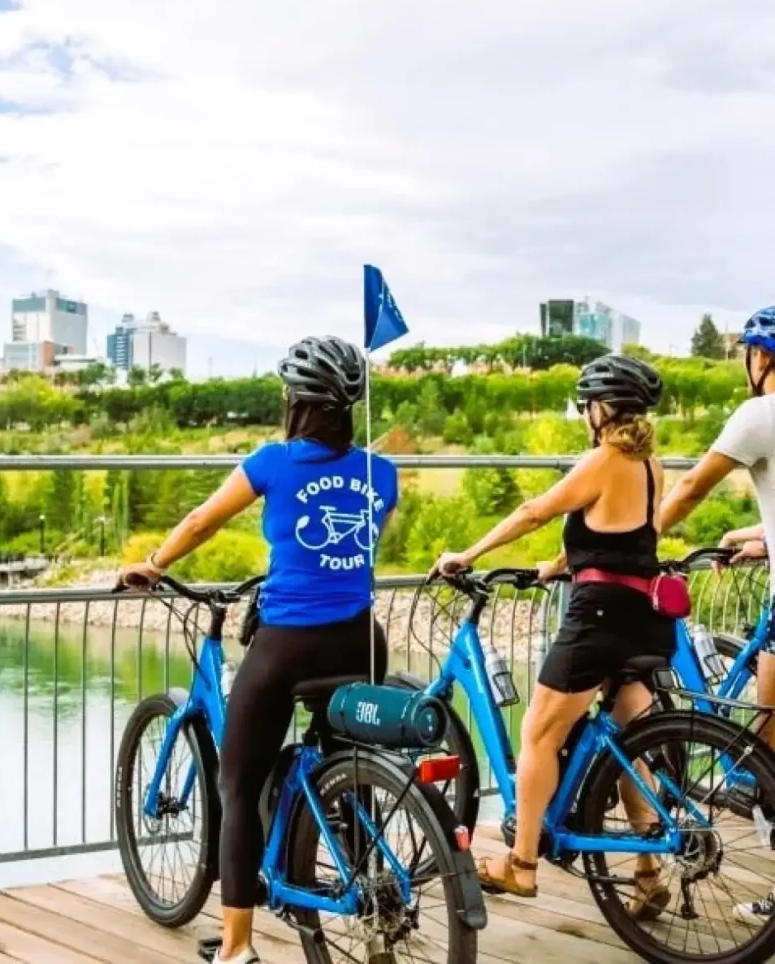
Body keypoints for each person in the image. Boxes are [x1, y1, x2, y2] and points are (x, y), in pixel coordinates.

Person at [118, 335, 397, 964]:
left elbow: (201, 522)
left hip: (290, 645)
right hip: (362, 640)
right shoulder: (386, 472)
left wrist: (155, 564)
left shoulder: (273, 462)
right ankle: (367, 886)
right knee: (342, 755)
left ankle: (237, 946)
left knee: (237, 784)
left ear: (297, 402)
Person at [434, 353, 672, 919]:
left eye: (588, 403)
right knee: (628, 744)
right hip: (643, 611)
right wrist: (561, 562)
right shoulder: (649, 465)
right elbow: (625, 533)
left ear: (603, 409)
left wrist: (467, 555)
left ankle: (521, 864)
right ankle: (647, 868)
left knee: (539, 732)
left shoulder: (603, 458)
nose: (585, 413)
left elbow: (534, 509)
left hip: (598, 617)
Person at [660, 306, 775, 924]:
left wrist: (632, 540)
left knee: (767, 745)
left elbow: (689, 489)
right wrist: (761, 537)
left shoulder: (760, 413)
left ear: (761, 358)